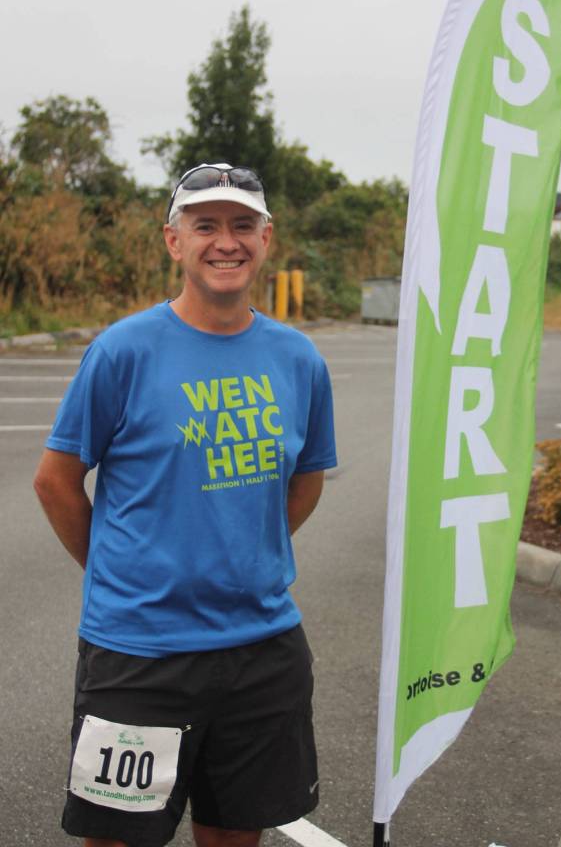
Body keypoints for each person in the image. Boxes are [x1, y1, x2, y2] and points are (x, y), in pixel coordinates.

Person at [33, 163, 337, 847]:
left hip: (262, 652)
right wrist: (119, 565)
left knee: (236, 836)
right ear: (174, 242)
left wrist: (248, 552)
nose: (224, 242)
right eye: (205, 226)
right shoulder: (123, 351)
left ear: (267, 239)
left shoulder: (297, 359)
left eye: (241, 226)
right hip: (140, 654)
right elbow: (56, 480)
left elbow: (308, 477)